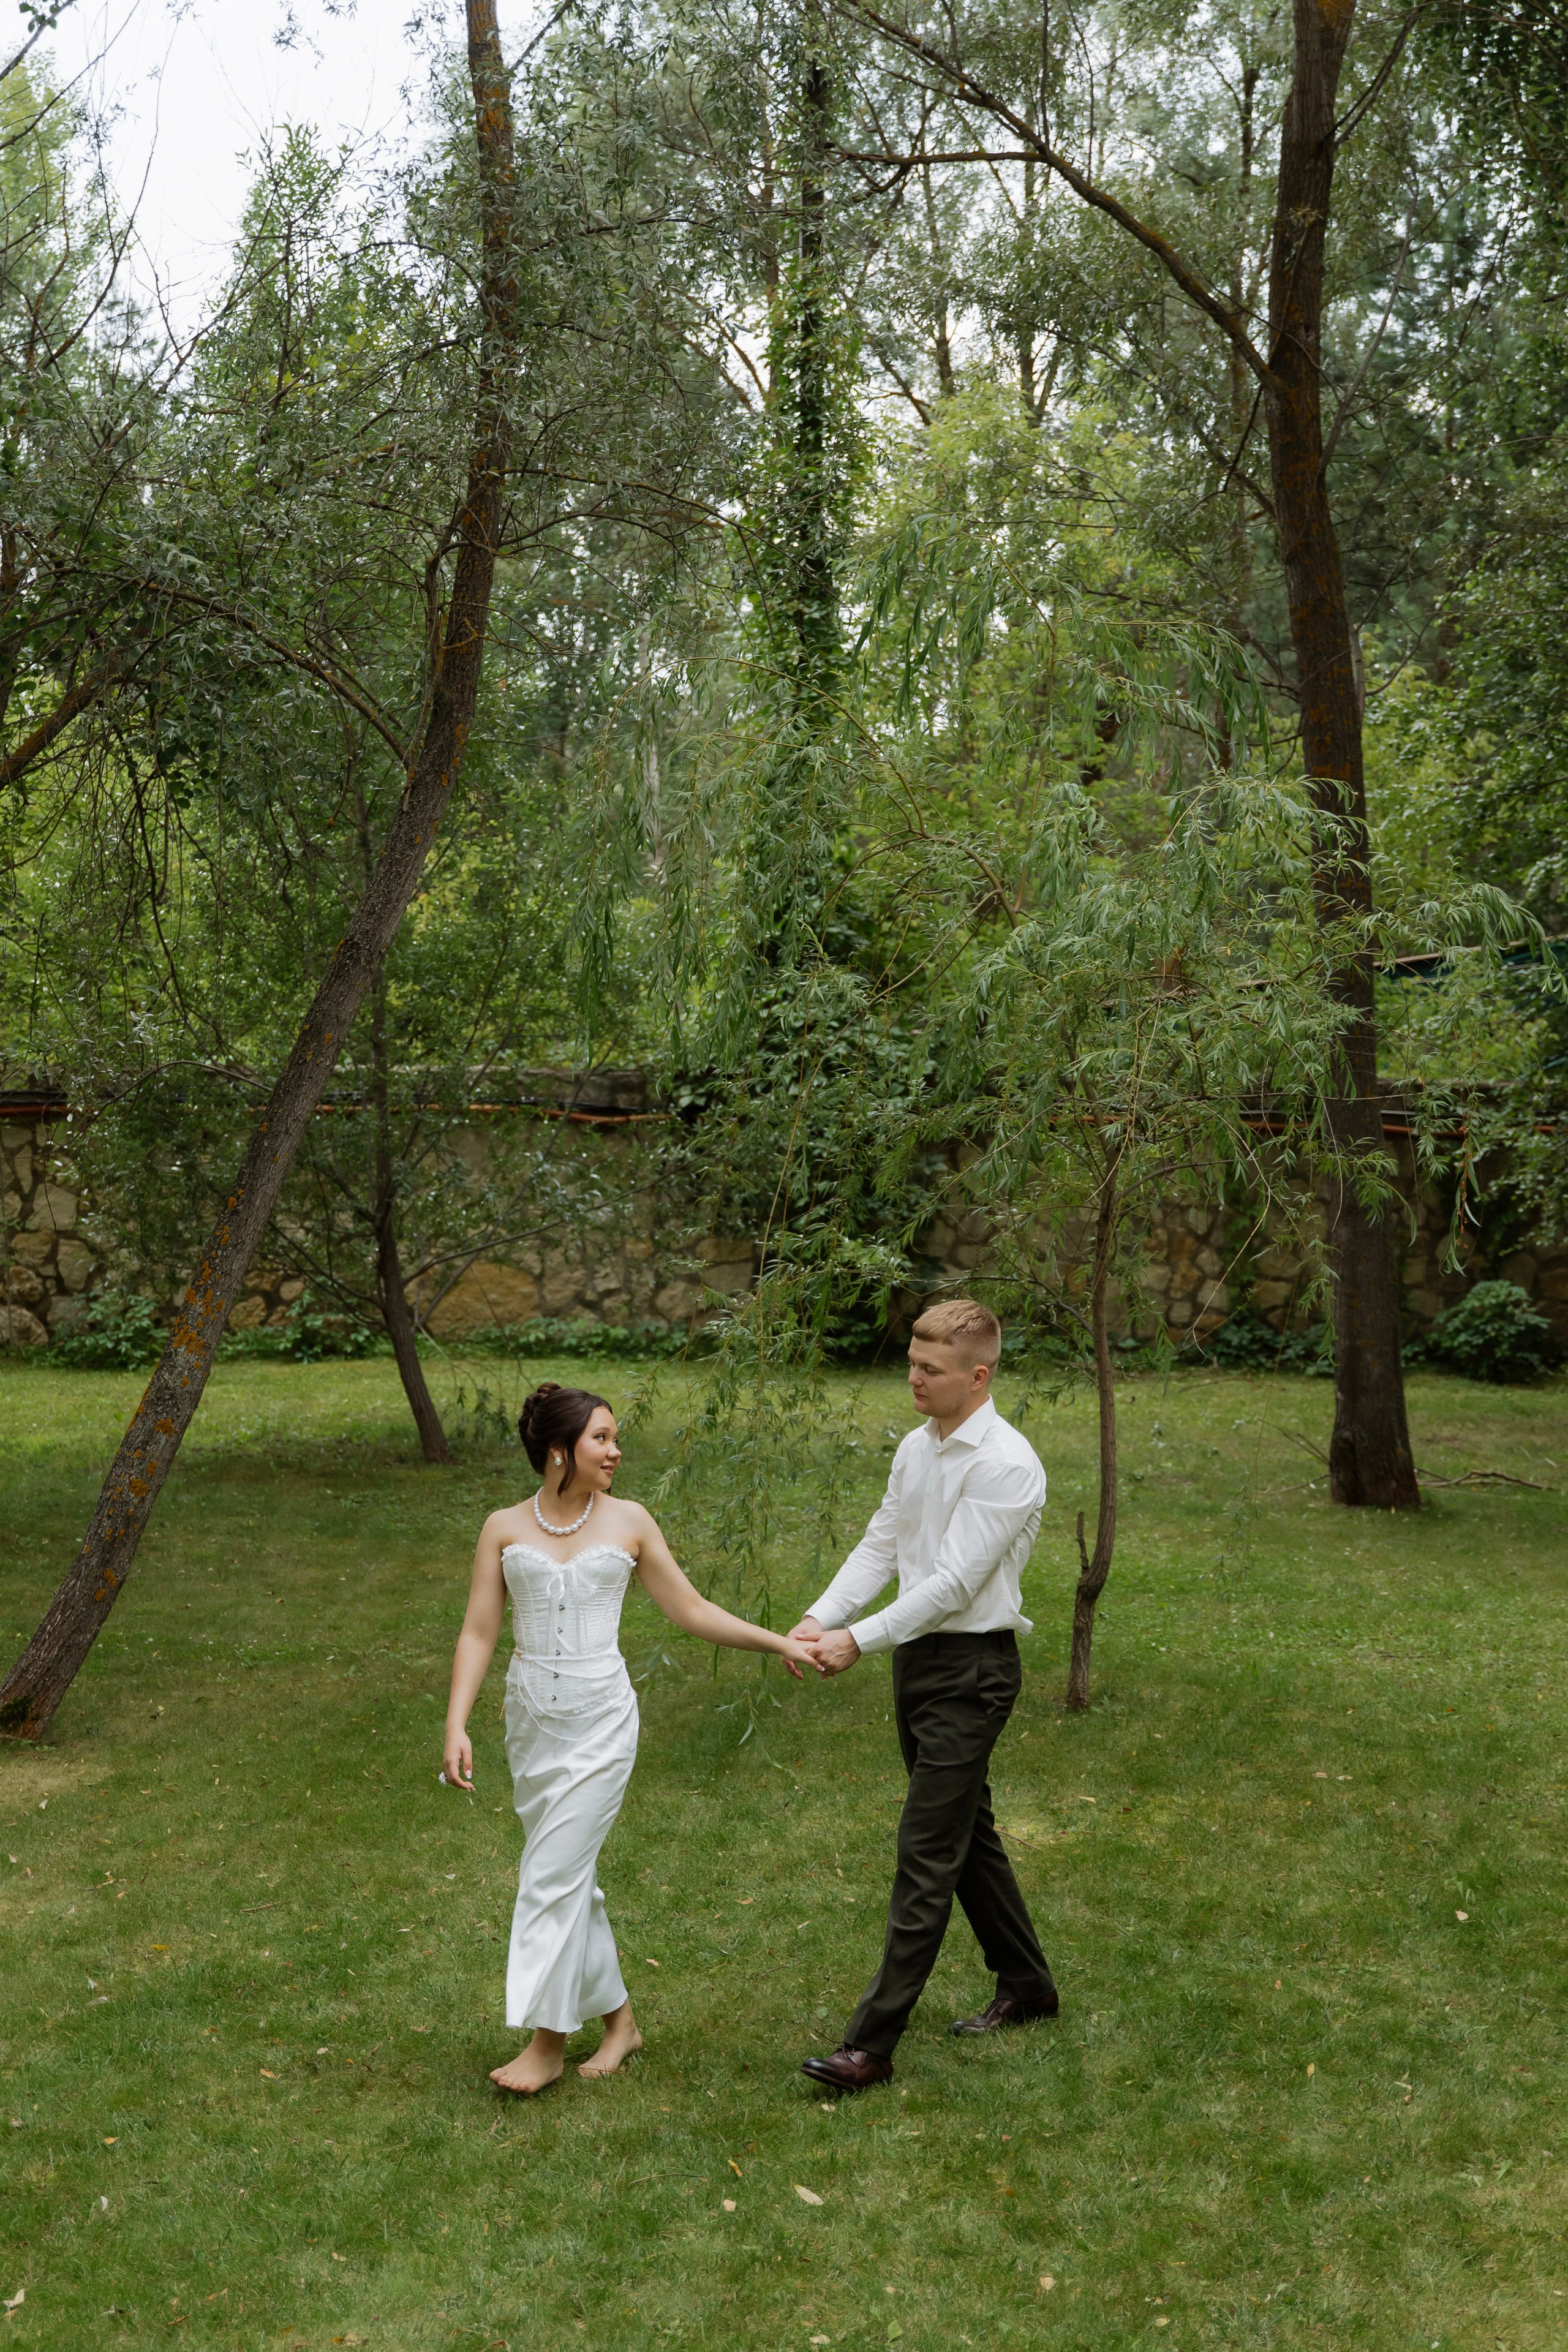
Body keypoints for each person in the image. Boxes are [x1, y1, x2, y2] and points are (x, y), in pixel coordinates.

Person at [443, 1381, 820, 2096]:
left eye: (615, 1439)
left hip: (602, 1722)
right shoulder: (502, 1527)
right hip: (530, 1723)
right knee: (568, 1877)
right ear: (560, 1450)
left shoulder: (630, 1522)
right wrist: (456, 1721)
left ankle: (547, 2042)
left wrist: (780, 1644)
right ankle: (621, 2022)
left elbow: (691, 1607)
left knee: (550, 1876)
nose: (616, 1451)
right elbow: (479, 1630)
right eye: (602, 1439)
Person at [793, 1300, 1057, 2091]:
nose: (913, 1377)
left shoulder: (1008, 1463)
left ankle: (870, 2045)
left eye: (930, 1369)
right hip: (921, 1666)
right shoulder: (916, 1447)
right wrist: (819, 1618)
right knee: (966, 1835)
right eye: (912, 1362)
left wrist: (858, 1640)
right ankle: (1030, 1987)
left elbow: (951, 1585)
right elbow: (885, 1543)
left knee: (926, 1850)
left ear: (978, 1377)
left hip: (973, 1672)